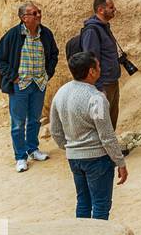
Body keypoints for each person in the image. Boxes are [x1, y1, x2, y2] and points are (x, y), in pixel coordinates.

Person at [50, 50, 128, 220]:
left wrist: (71, 147)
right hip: (97, 159)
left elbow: (55, 130)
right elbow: (107, 135)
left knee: (83, 202)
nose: (100, 68)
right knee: (100, 204)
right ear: (91, 71)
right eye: (98, 66)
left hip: (74, 158)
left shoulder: (61, 92)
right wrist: (120, 161)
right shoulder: (96, 98)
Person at [0, 0, 59, 173]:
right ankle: (20, 157)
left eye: (39, 12)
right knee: (18, 123)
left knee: (35, 120)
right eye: (34, 13)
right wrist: (13, 77)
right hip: (20, 86)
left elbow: (54, 54)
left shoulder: (46, 34)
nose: (39, 16)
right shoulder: (13, 35)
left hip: (39, 83)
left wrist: (48, 73)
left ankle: (33, 149)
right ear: (24, 18)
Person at [81, 0, 125, 125]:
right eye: (111, 7)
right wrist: (98, 87)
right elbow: (90, 60)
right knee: (100, 122)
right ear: (101, 10)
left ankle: (109, 146)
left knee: (111, 121)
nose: (114, 10)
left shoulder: (104, 27)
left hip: (111, 81)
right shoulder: (92, 31)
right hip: (102, 84)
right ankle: (98, 146)